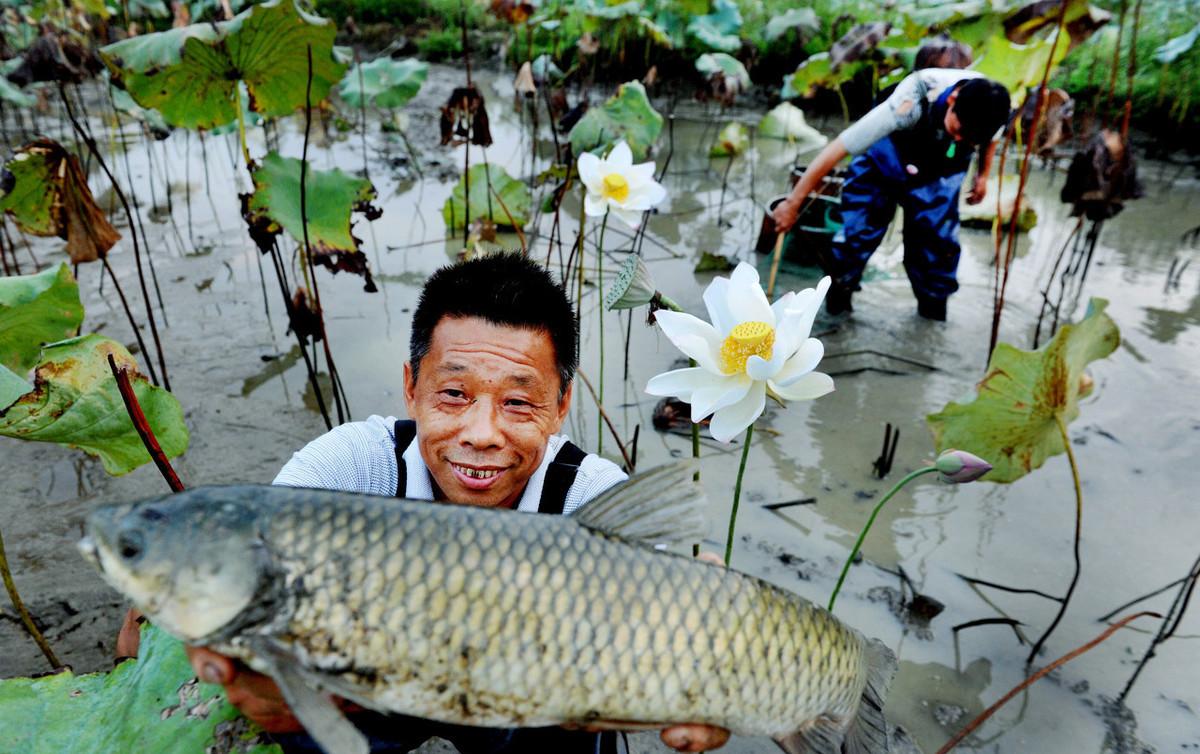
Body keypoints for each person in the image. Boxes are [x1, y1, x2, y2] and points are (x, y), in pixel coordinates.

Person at [178, 253, 731, 754]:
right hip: (371, 686)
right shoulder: (348, 467)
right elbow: (246, 560)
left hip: (532, 693)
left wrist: (717, 648)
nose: (482, 433)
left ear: (560, 407)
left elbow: (658, 627)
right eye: (454, 394)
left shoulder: (593, 495)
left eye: (518, 402)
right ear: (410, 386)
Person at [772, 68, 1012, 321]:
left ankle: (930, 322)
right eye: (959, 129)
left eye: (970, 139)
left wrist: (983, 176)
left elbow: (991, 140)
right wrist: (793, 202)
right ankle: (836, 310)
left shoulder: (995, 109)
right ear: (952, 99)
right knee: (856, 237)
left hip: (940, 167)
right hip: (887, 153)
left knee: (937, 251)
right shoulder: (911, 100)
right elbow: (839, 147)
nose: (961, 137)